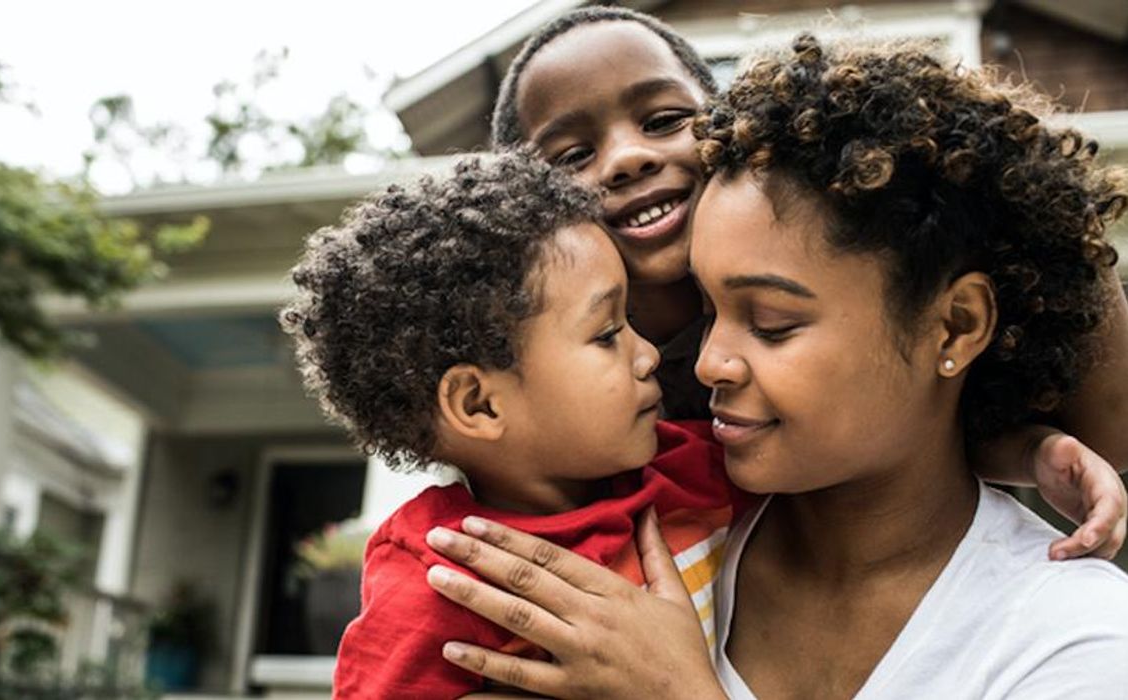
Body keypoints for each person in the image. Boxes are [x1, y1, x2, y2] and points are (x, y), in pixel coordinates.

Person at [422, 36, 1128, 699]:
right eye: (705, 306)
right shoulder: (644, 531)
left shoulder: (1069, 636)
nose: (706, 363)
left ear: (958, 324)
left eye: (772, 323)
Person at [487, 6, 1128, 559]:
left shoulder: (853, 257)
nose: (627, 158)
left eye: (662, 120)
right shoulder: (548, 367)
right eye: (572, 156)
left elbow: (906, 419)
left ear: (729, 127)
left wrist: (1028, 448)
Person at [281, 152, 747, 698]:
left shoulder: (694, 469)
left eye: (631, 323)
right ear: (479, 404)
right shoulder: (441, 579)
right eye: (605, 334)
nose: (647, 355)